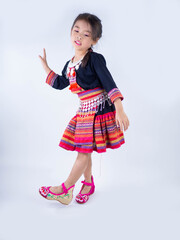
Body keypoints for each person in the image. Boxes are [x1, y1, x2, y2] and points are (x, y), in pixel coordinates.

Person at [38, 13, 130, 205]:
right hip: (84, 113)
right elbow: (61, 83)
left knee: (83, 152)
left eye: (86, 34)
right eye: (76, 30)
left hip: (98, 112)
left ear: (95, 40)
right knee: (83, 149)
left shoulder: (95, 59)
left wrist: (119, 108)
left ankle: (65, 189)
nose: (79, 36)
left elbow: (109, 83)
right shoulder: (70, 63)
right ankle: (88, 184)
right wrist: (46, 67)